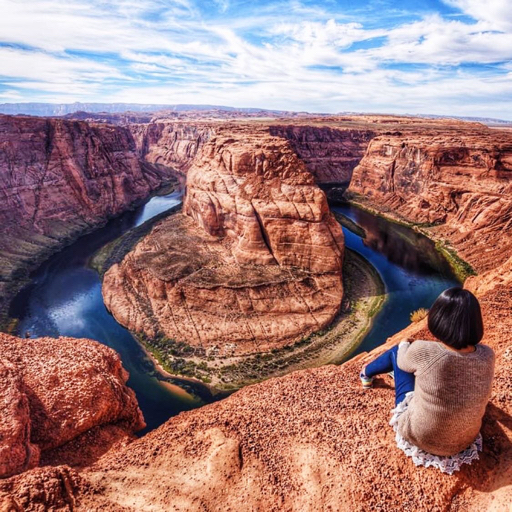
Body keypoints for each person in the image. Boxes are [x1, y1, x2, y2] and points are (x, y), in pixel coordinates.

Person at [360, 287, 495, 474]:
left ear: (439, 319)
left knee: (397, 353)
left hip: (420, 435)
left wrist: (405, 343)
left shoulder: (426, 351)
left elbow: (401, 362)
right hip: (464, 440)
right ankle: (370, 374)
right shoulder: (487, 355)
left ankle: (366, 374)